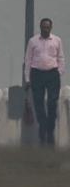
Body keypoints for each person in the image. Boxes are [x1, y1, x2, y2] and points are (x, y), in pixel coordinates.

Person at [25, 17, 64, 146]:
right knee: (38, 103)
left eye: (47, 27)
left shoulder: (57, 40)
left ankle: (50, 130)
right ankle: (43, 127)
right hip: (37, 74)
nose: (45, 29)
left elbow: (61, 57)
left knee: (52, 102)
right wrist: (27, 78)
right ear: (40, 27)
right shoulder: (33, 41)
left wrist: (59, 72)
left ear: (50, 28)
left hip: (52, 73)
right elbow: (28, 60)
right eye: (43, 27)